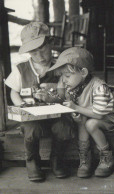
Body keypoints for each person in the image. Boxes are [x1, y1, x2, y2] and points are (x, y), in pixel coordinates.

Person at [5, 22, 76, 182]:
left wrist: (56, 90)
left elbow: (71, 91)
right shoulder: (21, 69)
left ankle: (56, 160)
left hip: (57, 114)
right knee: (31, 131)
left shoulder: (61, 67)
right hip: (32, 116)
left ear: (51, 43)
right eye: (33, 52)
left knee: (64, 129)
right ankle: (32, 162)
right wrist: (20, 106)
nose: (39, 55)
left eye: (42, 49)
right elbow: (13, 91)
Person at [47, 47, 114, 178]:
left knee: (91, 124)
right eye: (62, 76)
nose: (64, 80)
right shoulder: (75, 85)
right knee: (82, 120)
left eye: (67, 76)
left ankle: (107, 156)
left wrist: (76, 108)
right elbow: (72, 101)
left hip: (108, 117)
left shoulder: (99, 87)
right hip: (89, 113)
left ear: (83, 72)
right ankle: (85, 158)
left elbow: (99, 114)